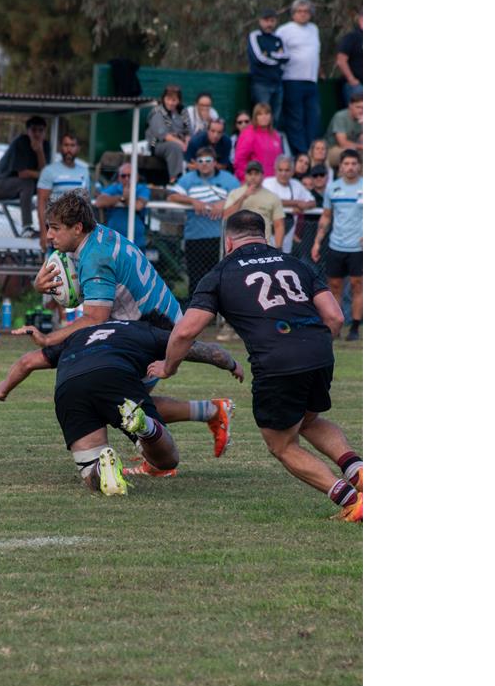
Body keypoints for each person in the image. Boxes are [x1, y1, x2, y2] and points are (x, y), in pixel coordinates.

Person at [150, 210, 364, 522]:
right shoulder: (296, 263)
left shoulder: (220, 273)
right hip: (318, 351)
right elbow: (335, 316)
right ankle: (360, 472)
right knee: (308, 420)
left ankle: (351, 501)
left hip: (277, 362)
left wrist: (168, 367)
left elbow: (185, 331)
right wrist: (312, 347)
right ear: (264, 236)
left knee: (282, 445)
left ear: (228, 242)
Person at [28, 193, 236, 474]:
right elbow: (95, 293)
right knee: (122, 401)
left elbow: (94, 317)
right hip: (157, 319)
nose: (49, 235)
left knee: (120, 402)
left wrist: (48, 339)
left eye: (55, 228)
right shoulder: (98, 236)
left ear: (77, 227)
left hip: (151, 326)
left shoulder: (95, 256)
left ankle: (179, 441)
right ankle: (211, 412)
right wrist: (41, 286)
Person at [0, 315, 243, 493]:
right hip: (114, 375)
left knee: (91, 475)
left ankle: (103, 467)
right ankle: (146, 427)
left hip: (68, 386)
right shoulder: (150, 332)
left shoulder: (81, 335)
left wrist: (3, 389)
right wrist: (232, 364)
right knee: (167, 461)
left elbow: (27, 362)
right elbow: (199, 348)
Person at [168, 147, 241, 294]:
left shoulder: (228, 179)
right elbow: (172, 196)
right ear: (195, 163)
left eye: (208, 160)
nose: (204, 164)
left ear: (214, 162)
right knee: (195, 280)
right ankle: (195, 306)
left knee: (220, 279)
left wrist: (224, 203)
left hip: (220, 239)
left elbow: (241, 197)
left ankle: (218, 308)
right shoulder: (188, 179)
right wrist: (192, 201)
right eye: (200, 161)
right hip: (194, 238)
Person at [311, 149, 363, 341]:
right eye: (346, 164)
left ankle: (355, 327)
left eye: (354, 164)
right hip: (336, 245)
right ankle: (337, 325)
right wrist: (317, 242)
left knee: (358, 286)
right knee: (334, 286)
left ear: (359, 166)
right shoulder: (332, 188)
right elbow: (326, 216)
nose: (350, 167)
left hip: (359, 247)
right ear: (340, 166)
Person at [0, 115, 50, 237]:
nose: (37, 134)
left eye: (40, 130)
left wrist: (40, 151)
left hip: (17, 187)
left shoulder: (45, 145)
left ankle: (49, 228)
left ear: (45, 132)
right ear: (28, 131)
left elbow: (45, 175)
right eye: (34, 130)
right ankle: (27, 228)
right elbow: (23, 173)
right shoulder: (21, 142)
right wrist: (42, 175)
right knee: (28, 182)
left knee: (47, 187)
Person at [275, 0, 323, 156]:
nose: (303, 14)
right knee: (296, 119)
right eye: (299, 11)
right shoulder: (284, 30)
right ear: (293, 14)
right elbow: (277, 52)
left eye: (306, 11)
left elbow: (315, 53)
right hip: (292, 79)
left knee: (313, 117)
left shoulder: (314, 29)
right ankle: (301, 154)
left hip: (311, 81)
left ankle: (312, 151)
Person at [34, 133, 92, 250]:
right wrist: (43, 232)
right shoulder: (49, 171)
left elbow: (87, 202)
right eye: (66, 145)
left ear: (78, 148)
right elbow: (41, 202)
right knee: (55, 261)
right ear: (60, 147)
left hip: (77, 231)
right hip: (57, 229)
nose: (69, 149)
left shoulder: (84, 171)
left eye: (72, 145)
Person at [223, 160, 286, 248]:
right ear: (245, 176)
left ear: (263, 176)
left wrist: (278, 248)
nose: (253, 177)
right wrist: (243, 197)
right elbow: (226, 216)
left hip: (263, 247)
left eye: (256, 174)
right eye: (250, 174)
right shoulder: (235, 193)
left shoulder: (273, 197)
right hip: (238, 247)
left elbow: (279, 225)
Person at [262, 155, 316, 254]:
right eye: (280, 170)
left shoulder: (296, 185)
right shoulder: (267, 183)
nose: (283, 173)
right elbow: (273, 201)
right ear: (275, 170)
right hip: (266, 239)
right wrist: (296, 203)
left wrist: (304, 206)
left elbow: (312, 202)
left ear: (292, 171)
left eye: (287, 170)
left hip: (287, 242)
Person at [246, 8, 288, 124]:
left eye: (272, 21)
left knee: (275, 117)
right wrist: (276, 58)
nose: (269, 24)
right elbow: (258, 58)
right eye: (266, 20)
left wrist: (269, 54)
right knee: (262, 116)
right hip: (261, 83)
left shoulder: (278, 38)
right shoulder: (255, 36)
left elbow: (286, 57)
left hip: (278, 83)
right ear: (260, 21)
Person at [94, 162, 149, 248]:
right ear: (119, 178)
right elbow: (99, 202)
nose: (127, 178)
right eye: (123, 176)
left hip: (136, 242)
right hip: (113, 242)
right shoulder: (114, 188)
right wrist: (121, 198)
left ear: (137, 177)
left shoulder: (142, 189)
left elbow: (138, 206)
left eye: (130, 176)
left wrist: (127, 198)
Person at [145, 84, 192, 183]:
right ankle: (175, 180)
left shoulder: (183, 111)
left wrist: (188, 142)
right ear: (163, 98)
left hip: (182, 143)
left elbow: (188, 131)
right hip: (157, 145)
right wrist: (181, 144)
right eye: (168, 99)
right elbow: (164, 136)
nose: (170, 103)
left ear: (179, 101)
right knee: (174, 147)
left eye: (174, 100)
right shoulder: (157, 112)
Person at [232, 102, 283, 177]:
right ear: (255, 117)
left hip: (274, 180)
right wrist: (248, 178)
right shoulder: (248, 134)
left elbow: (280, 160)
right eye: (260, 114)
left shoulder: (275, 135)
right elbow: (239, 160)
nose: (264, 117)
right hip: (254, 181)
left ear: (271, 116)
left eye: (267, 113)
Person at [335, 11, 363, 105]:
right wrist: (352, 80)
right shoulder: (352, 37)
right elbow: (341, 60)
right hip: (357, 85)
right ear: (361, 20)